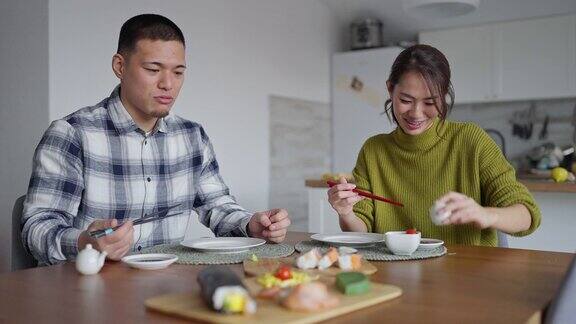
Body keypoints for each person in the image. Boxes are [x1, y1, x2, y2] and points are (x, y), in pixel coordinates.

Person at [22, 14, 291, 266]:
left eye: (178, 72)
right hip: (91, 289)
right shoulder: (73, 134)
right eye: (153, 69)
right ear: (120, 66)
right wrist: (84, 242)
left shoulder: (191, 136)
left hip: (168, 285)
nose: (168, 84)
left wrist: (251, 224)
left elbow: (217, 206)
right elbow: (38, 228)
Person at [327, 44, 540, 246]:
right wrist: (346, 212)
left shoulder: (471, 140)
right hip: (395, 273)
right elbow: (360, 230)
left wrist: (485, 214)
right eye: (406, 100)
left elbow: (527, 216)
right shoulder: (373, 150)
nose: (416, 113)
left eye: (430, 102)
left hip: (465, 274)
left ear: (444, 97)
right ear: (390, 89)